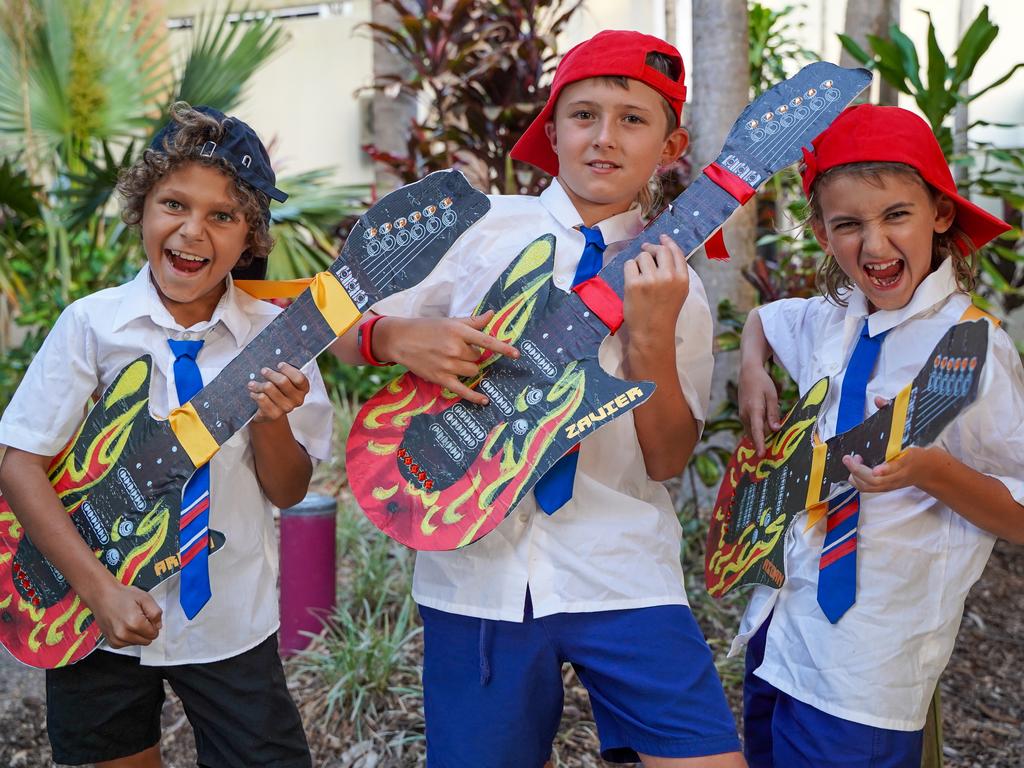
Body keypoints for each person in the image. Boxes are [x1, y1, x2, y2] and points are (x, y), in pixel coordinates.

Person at [333, 30, 745, 768]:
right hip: (477, 575)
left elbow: (669, 458)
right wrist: (393, 338)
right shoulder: (481, 230)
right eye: (584, 115)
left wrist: (650, 339)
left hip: (622, 568)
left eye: (633, 119)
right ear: (551, 129)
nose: (604, 138)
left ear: (672, 142)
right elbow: (331, 320)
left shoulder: (674, 282)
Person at [0, 103, 332, 768]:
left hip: (230, 618)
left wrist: (272, 421)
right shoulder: (93, 328)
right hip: (94, 617)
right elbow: (18, 465)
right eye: (174, 203)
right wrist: (98, 589)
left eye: (223, 215)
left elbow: (290, 490)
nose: (192, 231)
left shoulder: (280, 337)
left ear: (251, 237)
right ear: (142, 208)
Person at [735, 104, 1024, 768]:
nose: (874, 245)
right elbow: (764, 319)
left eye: (896, 215)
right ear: (821, 232)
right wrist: (754, 371)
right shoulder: (832, 319)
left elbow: (1019, 515)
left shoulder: (971, 349)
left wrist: (931, 471)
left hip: (868, 665)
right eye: (848, 225)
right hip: (779, 630)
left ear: (941, 215)